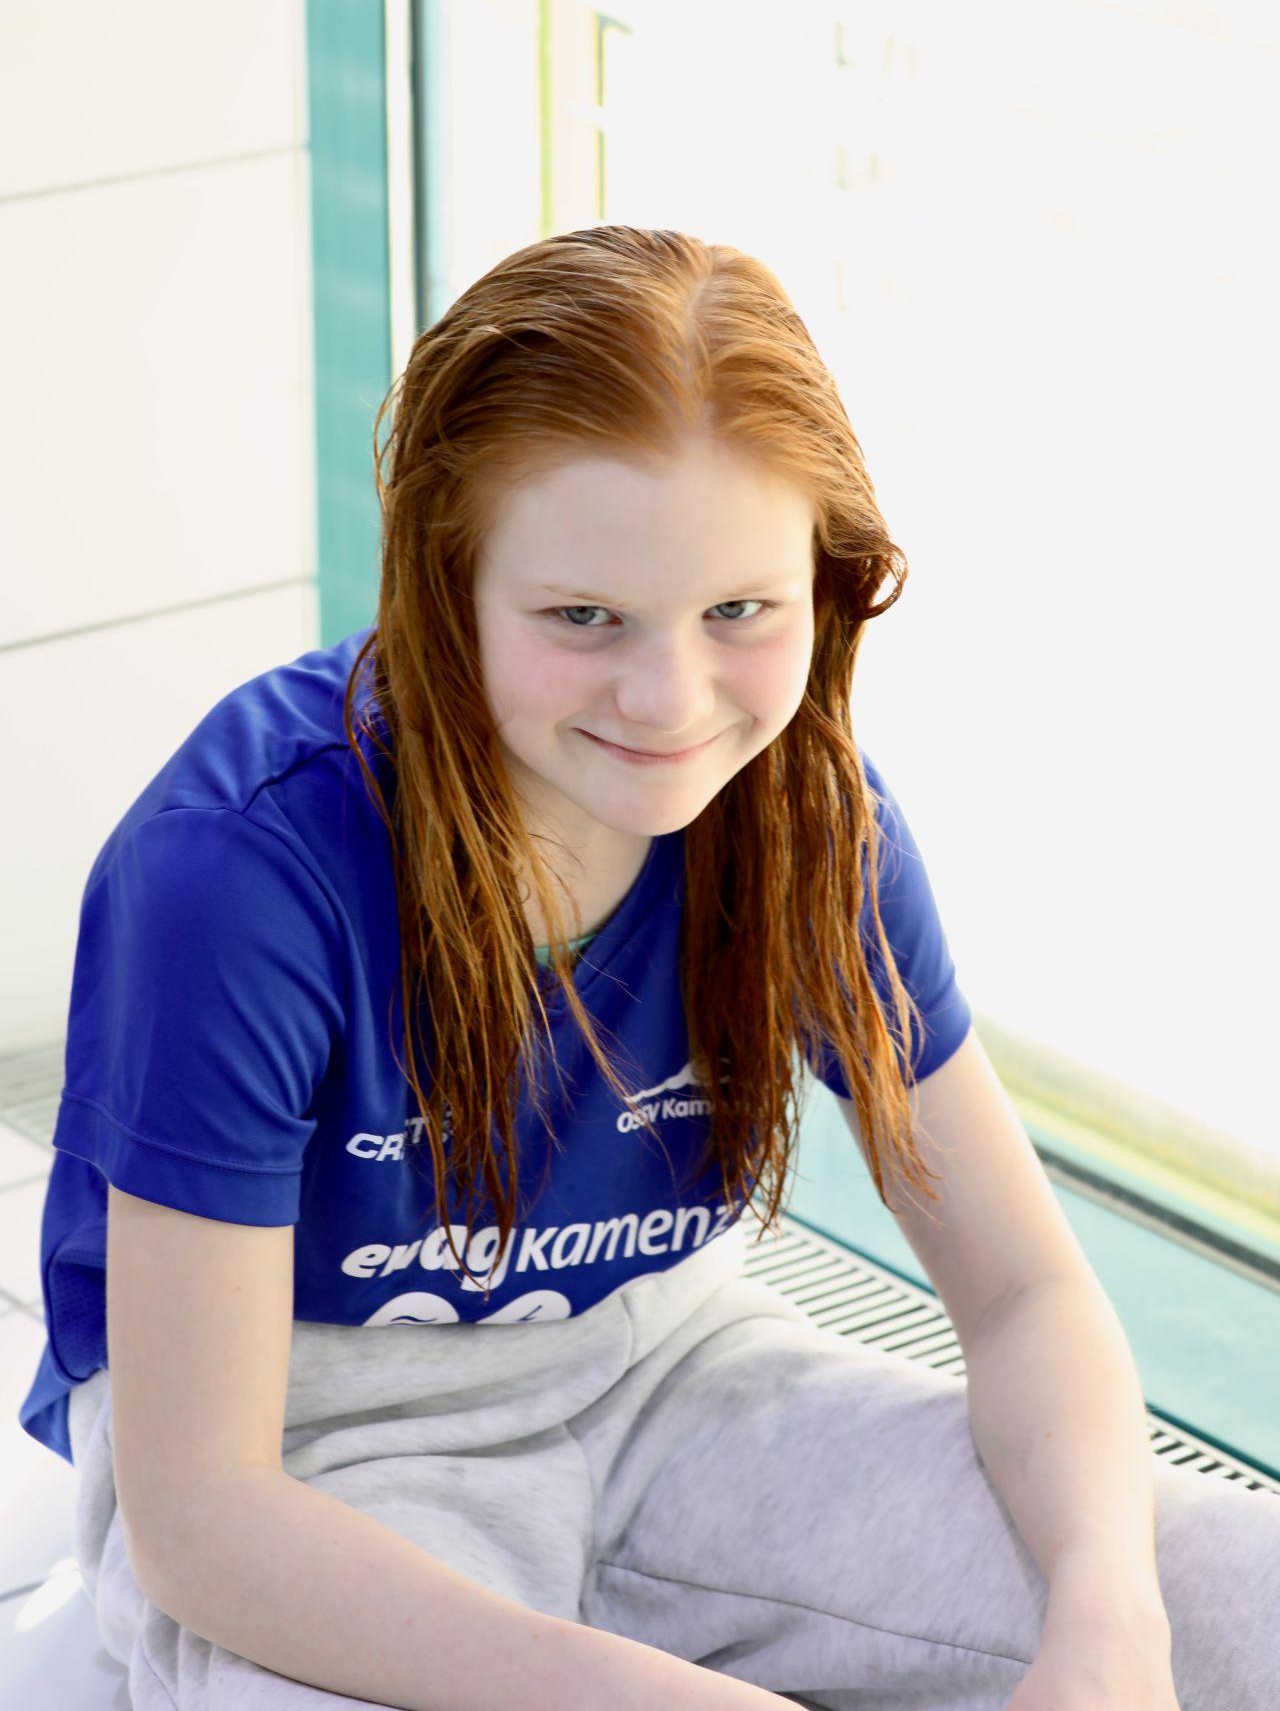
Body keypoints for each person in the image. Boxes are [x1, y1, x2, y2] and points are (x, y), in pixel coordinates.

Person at [18, 225, 1278, 1710]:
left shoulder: (813, 829)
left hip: (668, 1379)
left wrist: (1108, 1625)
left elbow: (1019, 1296)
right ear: (445, 585)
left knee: (1232, 1597)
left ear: (827, 581)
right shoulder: (237, 879)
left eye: (740, 611)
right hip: (317, 1458)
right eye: (583, 618)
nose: (671, 700)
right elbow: (205, 1519)